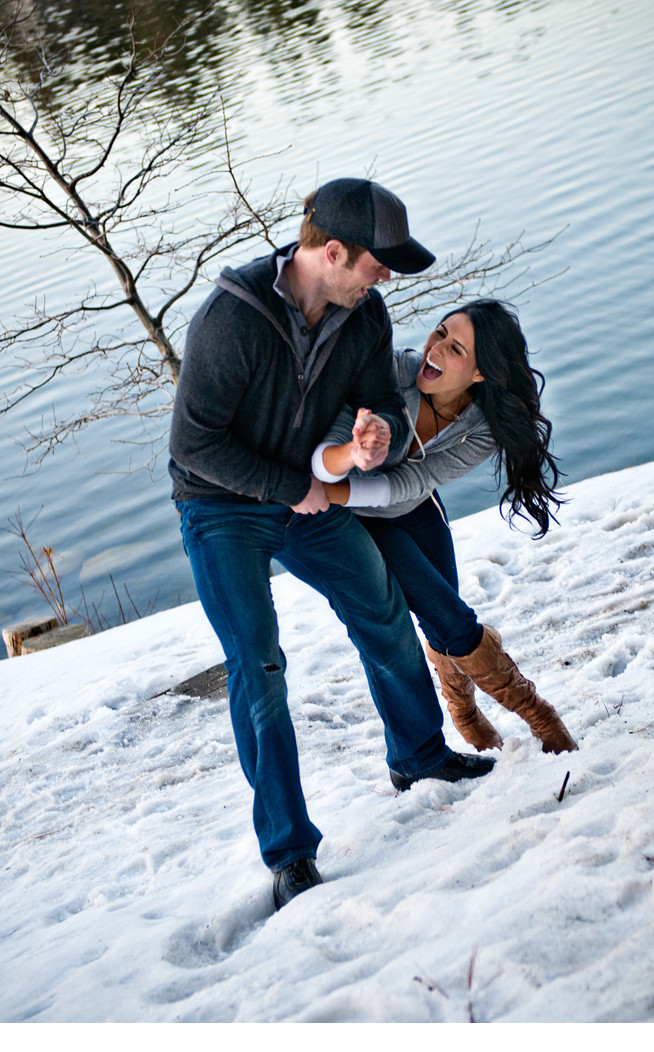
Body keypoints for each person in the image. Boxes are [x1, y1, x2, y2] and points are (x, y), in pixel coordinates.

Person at [168, 178, 495, 911]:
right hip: (221, 504)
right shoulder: (231, 320)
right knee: (259, 663)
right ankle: (288, 853)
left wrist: (375, 428)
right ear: (335, 252)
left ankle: (418, 755)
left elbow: (378, 390)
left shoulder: (362, 312)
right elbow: (193, 446)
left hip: (307, 495)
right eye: (378, 263)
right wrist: (288, 487)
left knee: (379, 606)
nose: (385, 277)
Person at [312, 298, 578, 756]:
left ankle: (464, 707)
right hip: (360, 519)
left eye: (456, 350)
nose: (435, 350)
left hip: (413, 505)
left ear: (479, 374)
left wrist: (329, 491)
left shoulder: (482, 426)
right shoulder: (392, 374)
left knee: (445, 624)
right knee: (451, 619)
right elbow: (329, 449)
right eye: (440, 334)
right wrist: (328, 483)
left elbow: (416, 480)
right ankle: (538, 716)